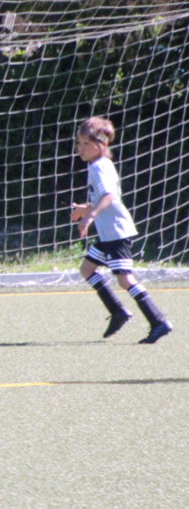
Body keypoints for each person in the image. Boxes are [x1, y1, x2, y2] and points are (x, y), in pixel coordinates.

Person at [70, 117, 172, 344]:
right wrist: (85, 208)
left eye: (86, 143)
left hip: (116, 233)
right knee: (87, 269)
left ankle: (158, 321)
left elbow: (109, 196)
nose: (80, 148)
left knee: (125, 280)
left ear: (102, 144)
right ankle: (118, 311)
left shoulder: (99, 166)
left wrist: (89, 216)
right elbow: (107, 199)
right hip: (108, 234)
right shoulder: (98, 165)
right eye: (78, 143)